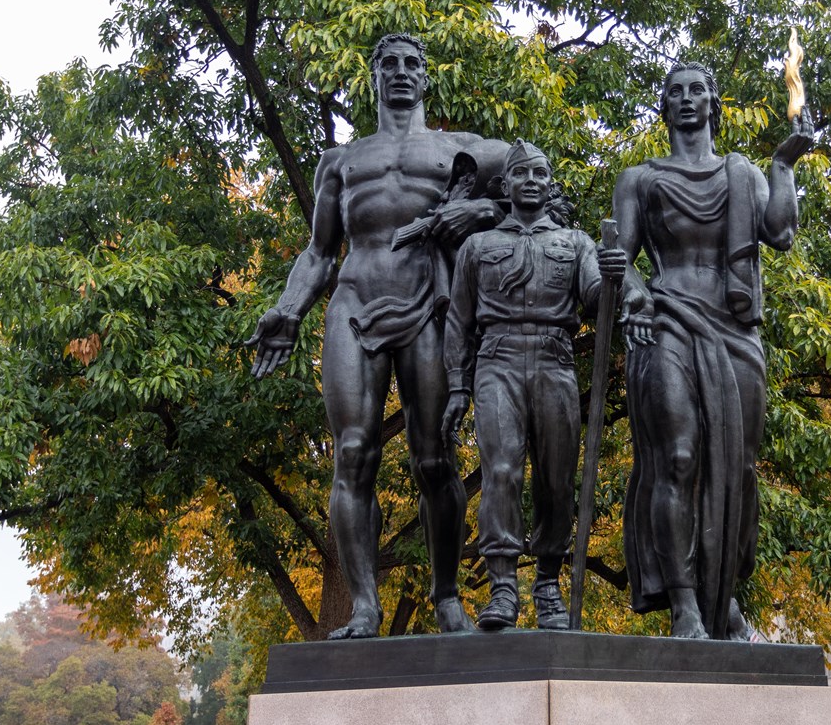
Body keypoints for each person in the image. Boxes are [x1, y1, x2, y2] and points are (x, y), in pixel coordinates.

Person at [249, 33, 509, 638]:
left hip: (429, 305)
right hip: (355, 301)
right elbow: (318, 253)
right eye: (387, 63)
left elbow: (532, 186)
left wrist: (482, 211)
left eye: (411, 63)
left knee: (433, 456)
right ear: (372, 78)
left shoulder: (461, 151)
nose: (399, 72)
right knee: (354, 452)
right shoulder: (341, 161)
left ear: (425, 78)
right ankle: (364, 607)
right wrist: (288, 309)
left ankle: (447, 598)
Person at [610, 61, 813, 639]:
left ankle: (722, 592)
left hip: (734, 330)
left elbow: (781, 233)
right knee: (677, 459)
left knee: (736, 470)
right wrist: (633, 295)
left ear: (713, 102)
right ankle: (684, 605)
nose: (687, 99)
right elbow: (620, 262)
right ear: (664, 107)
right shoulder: (640, 179)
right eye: (676, 92)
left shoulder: (742, 172)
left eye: (698, 89)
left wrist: (783, 165)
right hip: (669, 319)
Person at [441, 140, 625, 629]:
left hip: (554, 361)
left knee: (556, 478)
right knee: (501, 470)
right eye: (521, 173)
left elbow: (593, 299)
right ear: (505, 185)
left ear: (549, 184)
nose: (531, 181)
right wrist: (457, 387)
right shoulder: (477, 247)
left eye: (540, 174)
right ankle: (503, 586)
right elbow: (458, 321)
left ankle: (546, 583)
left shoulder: (576, 243)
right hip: (496, 361)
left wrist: (613, 278)